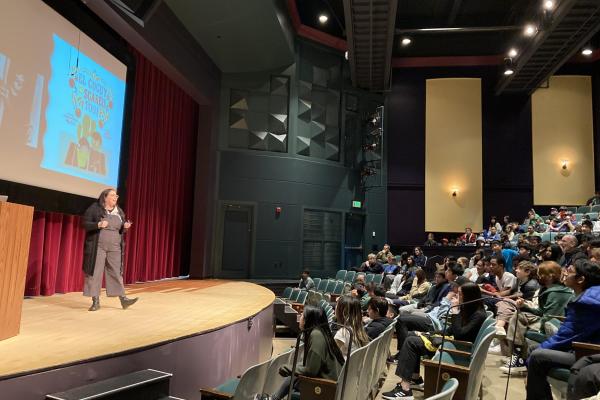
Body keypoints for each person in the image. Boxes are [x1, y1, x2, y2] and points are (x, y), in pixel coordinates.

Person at [382, 283, 486, 400]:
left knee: (411, 341)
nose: (456, 296)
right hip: (452, 344)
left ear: (470, 296)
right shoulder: (468, 310)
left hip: (456, 350)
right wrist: (428, 334)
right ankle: (415, 378)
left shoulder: (479, 315)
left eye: (460, 294)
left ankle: (405, 389)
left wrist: (455, 311)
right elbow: (449, 330)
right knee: (411, 335)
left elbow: (459, 334)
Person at [526, 260, 600, 400]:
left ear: (581, 279)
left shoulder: (587, 303)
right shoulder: (590, 294)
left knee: (536, 356)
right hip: (585, 346)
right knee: (533, 349)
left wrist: (529, 361)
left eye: (570, 271)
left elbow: (564, 337)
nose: (564, 273)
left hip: (590, 352)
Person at [499, 261, 574, 374]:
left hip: (552, 324)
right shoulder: (549, 289)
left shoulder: (556, 292)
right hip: (546, 319)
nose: (538, 277)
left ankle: (518, 357)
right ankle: (516, 355)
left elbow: (548, 317)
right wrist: (524, 305)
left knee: (518, 318)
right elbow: (541, 311)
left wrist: (535, 323)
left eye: (540, 274)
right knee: (519, 315)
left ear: (550, 276)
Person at [264, 306, 344, 400]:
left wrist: (288, 369)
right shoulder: (319, 332)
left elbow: (311, 371)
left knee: (295, 374)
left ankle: (273, 398)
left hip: (326, 386)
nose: (300, 316)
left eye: (302, 315)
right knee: (296, 372)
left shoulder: (316, 336)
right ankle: (273, 398)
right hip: (329, 381)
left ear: (308, 320)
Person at [82, 188, 138, 311]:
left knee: (116, 272)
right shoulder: (95, 208)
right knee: (95, 273)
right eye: (112, 195)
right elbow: (85, 223)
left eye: (116, 196)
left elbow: (121, 230)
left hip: (115, 247)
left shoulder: (119, 211)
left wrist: (125, 227)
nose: (115, 197)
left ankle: (123, 299)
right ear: (105, 197)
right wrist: (98, 224)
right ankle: (95, 301)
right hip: (98, 246)